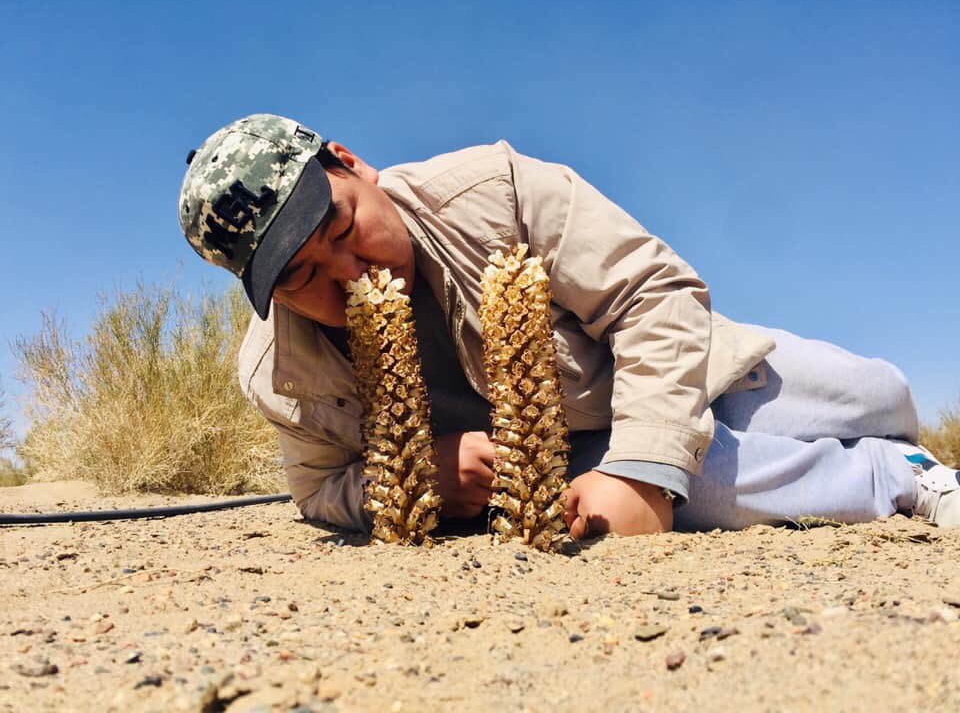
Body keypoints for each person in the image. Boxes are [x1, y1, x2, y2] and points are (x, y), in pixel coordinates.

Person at [177, 114, 960, 538]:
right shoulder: (276, 373)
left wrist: (643, 467)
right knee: (709, 484)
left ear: (350, 163)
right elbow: (318, 489)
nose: (347, 274)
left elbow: (655, 294)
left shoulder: (494, 188)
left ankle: (894, 439)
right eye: (304, 277)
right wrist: (409, 478)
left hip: (674, 364)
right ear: (266, 296)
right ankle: (904, 478)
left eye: (343, 230)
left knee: (877, 395)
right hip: (570, 454)